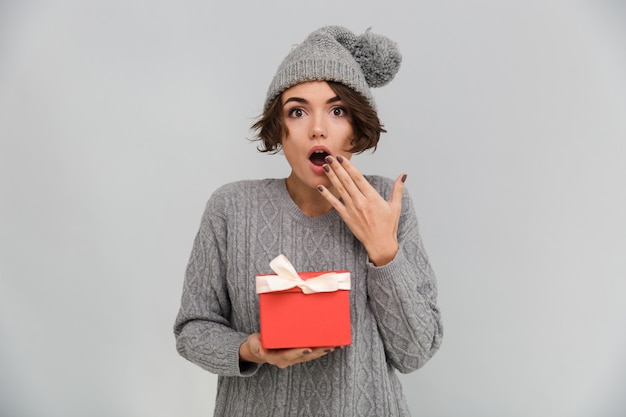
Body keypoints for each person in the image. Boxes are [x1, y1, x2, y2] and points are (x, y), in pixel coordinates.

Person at [174, 25, 443, 416]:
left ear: (355, 129)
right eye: (297, 111)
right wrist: (252, 349)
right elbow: (192, 330)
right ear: (279, 131)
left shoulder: (388, 203)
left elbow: (415, 353)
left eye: (337, 111)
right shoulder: (231, 207)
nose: (318, 127)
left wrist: (383, 251)